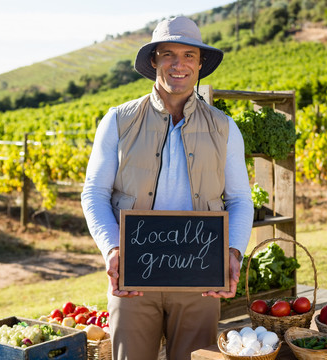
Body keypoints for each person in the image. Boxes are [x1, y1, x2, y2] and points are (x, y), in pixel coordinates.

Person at [81, 16, 254, 360]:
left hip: (200, 279)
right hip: (133, 278)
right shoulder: (118, 120)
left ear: (200, 64)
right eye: (169, 54)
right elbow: (94, 193)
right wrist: (113, 250)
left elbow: (239, 199)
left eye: (189, 55)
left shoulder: (224, 128)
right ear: (154, 61)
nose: (179, 64)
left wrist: (233, 252)